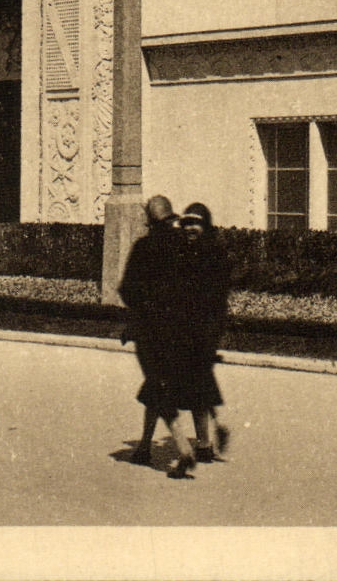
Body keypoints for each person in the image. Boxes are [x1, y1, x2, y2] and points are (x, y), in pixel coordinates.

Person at [117, 194, 200, 478]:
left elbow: (127, 290)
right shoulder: (186, 245)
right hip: (183, 330)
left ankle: (183, 448)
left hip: (152, 331)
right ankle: (143, 447)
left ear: (149, 219)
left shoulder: (144, 246)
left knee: (157, 385)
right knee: (158, 385)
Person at [179, 202, 232, 463]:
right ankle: (208, 439)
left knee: (196, 386)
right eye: (186, 223)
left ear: (205, 226)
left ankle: (204, 444)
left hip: (202, 329)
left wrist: (211, 333)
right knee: (198, 386)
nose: (190, 228)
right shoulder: (182, 253)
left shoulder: (213, 254)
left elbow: (217, 298)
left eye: (195, 224)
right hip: (186, 328)